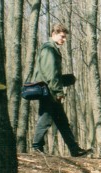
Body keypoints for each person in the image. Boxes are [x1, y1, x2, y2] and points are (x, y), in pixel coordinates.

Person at [31, 24, 91, 157]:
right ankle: (36, 147)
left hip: (50, 90)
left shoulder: (52, 49)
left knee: (62, 121)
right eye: (62, 36)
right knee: (45, 119)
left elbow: (52, 74)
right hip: (48, 92)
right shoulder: (49, 49)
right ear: (53, 34)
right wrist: (58, 92)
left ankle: (74, 150)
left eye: (65, 37)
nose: (64, 40)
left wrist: (66, 80)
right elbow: (50, 74)